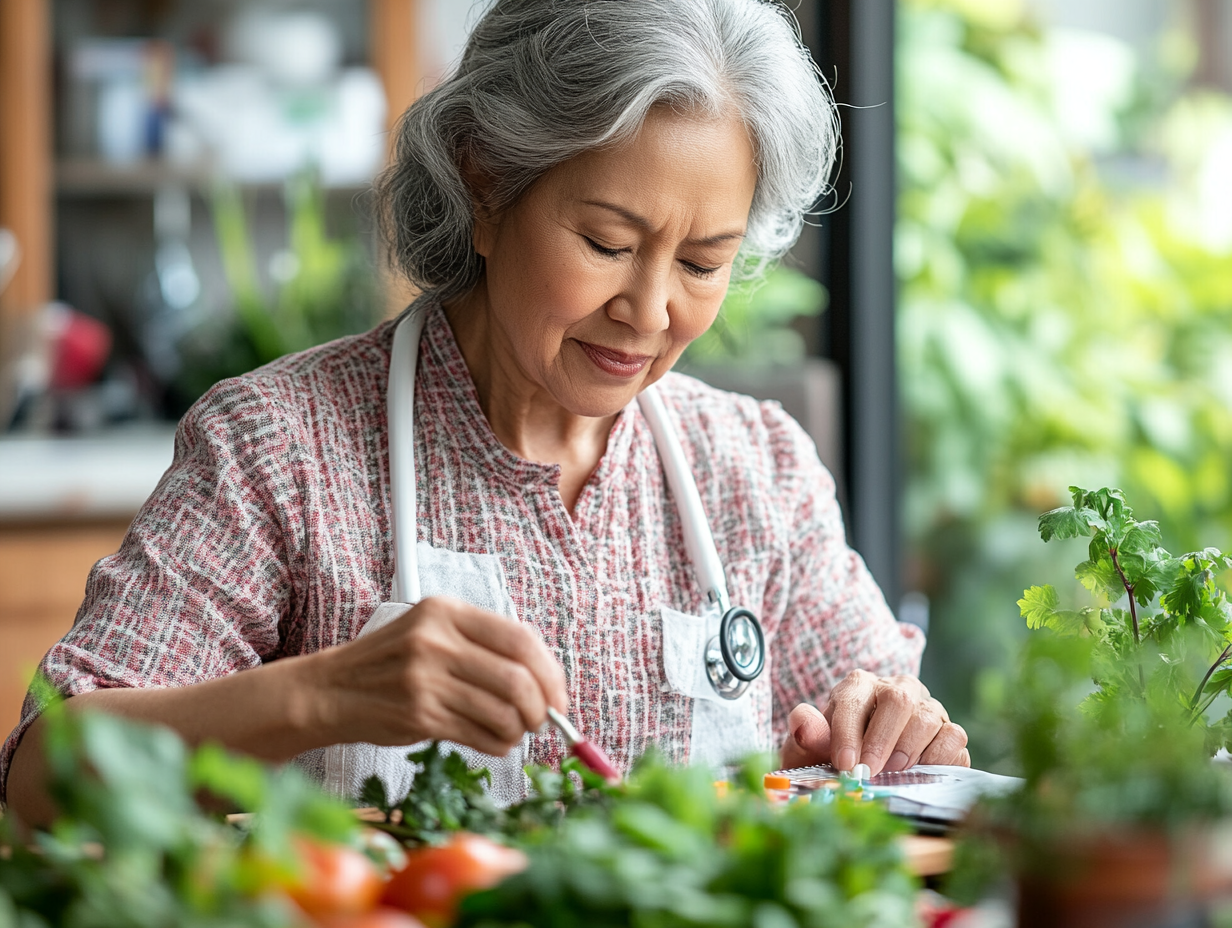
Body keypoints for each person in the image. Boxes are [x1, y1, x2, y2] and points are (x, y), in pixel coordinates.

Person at [2, 0, 968, 824]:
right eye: (606, 241)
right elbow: (45, 774)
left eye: (704, 263)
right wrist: (324, 695)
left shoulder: (755, 468)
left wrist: (894, 728)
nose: (650, 308)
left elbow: (902, 749)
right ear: (485, 179)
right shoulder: (280, 445)